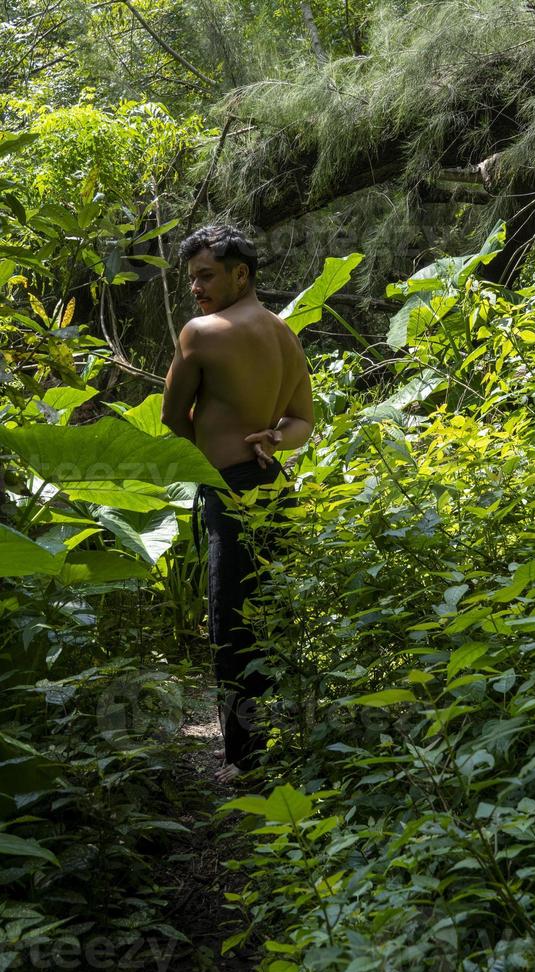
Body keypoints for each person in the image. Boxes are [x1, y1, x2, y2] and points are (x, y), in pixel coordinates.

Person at [161, 225, 313, 783]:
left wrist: (216, 435)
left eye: (206, 276)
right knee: (271, 615)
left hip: (231, 489)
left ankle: (242, 762)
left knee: (230, 624)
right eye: (192, 278)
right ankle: (282, 735)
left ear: (240, 274)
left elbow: (173, 418)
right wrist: (272, 437)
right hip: (276, 488)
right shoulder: (283, 334)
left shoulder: (201, 334)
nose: (196, 289)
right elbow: (301, 422)